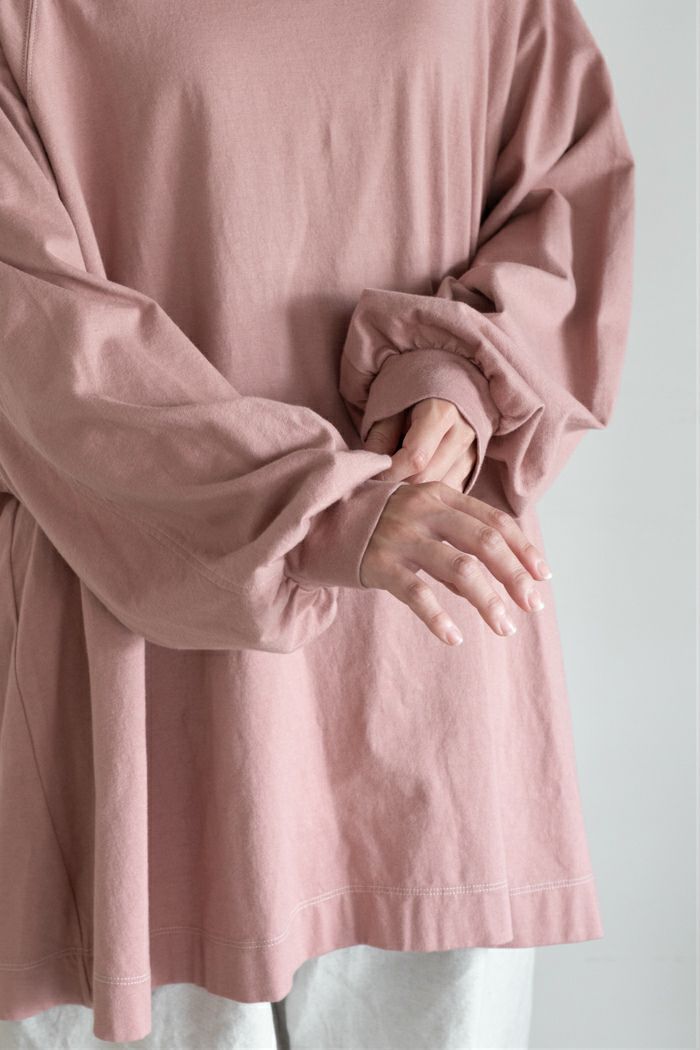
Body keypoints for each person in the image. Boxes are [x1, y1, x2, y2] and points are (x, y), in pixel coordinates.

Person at [0, 0, 635, 1046]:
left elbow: (563, 197)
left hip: (429, 641)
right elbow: (34, 335)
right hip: (144, 651)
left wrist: (457, 380)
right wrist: (314, 508)